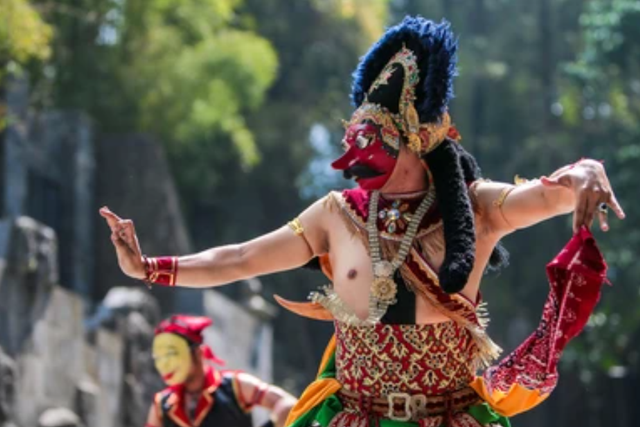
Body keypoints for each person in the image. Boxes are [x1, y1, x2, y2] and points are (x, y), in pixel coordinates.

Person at [102, 16, 624, 427]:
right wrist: (149, 267)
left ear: (417, 139)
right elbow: (239, 258)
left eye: (374, 138)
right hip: (353, 417)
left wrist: (588, 172)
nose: (357, 151)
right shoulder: (336, 214)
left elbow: (550, 194)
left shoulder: (479, 207)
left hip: (448, 418)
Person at [145, 315, 296, 427]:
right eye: (158, 357)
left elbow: (289, 404)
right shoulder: (162, 405)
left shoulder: (234, 386)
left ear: (198, 353)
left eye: (171, 353)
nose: (164, 364)